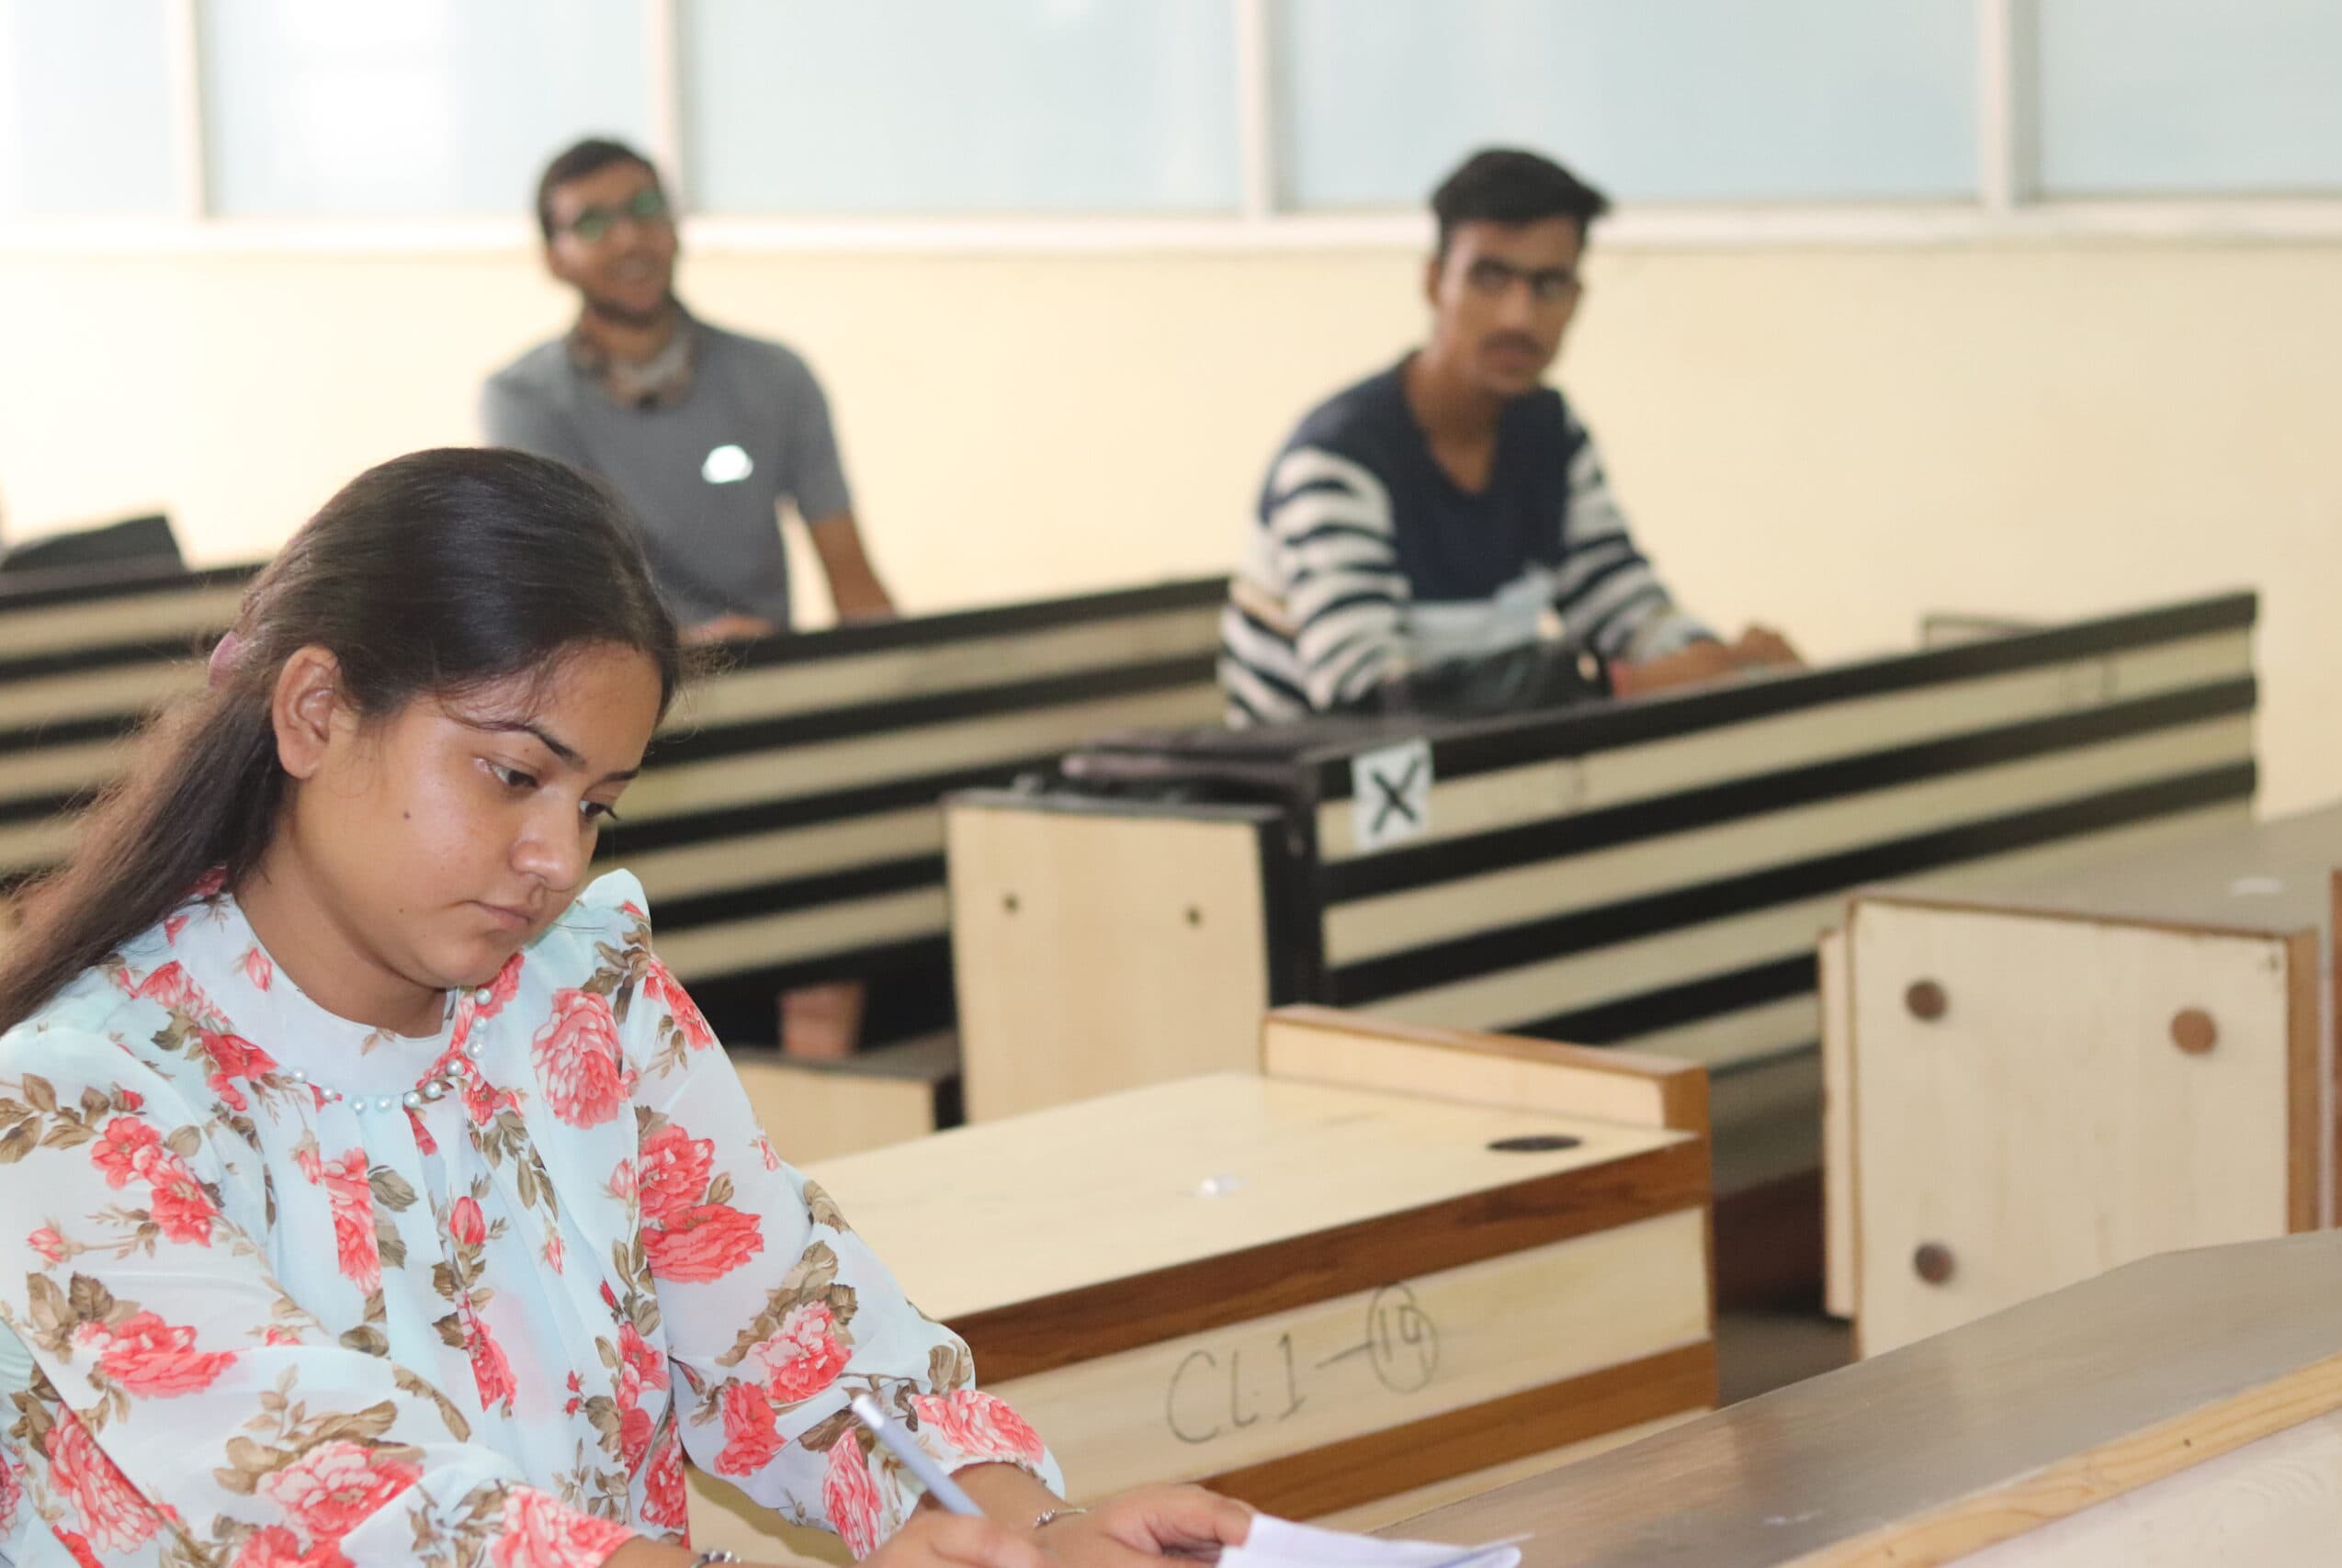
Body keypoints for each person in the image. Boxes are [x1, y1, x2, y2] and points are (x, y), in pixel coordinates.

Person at [0, 449, 1249, 1568]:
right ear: (316, 710)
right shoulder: (74, 1101)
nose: (555, 855)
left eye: (595, 803)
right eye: (512, 773)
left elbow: (797, 1337)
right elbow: (365, 1504)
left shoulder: (585, 1001)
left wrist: (1026, 1532)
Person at [1219, 147, 1799, 728]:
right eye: (1490, 278)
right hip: (1335, 796)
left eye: (1549, 284)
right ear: (1433, 282)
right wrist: (1630, 687)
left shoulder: (1550, 433)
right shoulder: (1338, 462)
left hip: (1487, 774)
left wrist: (1725, 665)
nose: (1518, 317)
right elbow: (1375, 701)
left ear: (1577, 300)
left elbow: (1623, 604)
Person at [481, 139, 895, 645]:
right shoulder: (525, 399)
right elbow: (557, 606)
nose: (630, 238)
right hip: (622, 697)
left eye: (647, 209)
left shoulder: (776, 377)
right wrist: (687, 653)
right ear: (554, 260)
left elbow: (850, 571)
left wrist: (905, 681)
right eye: (593, 223)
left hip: (765, 674)